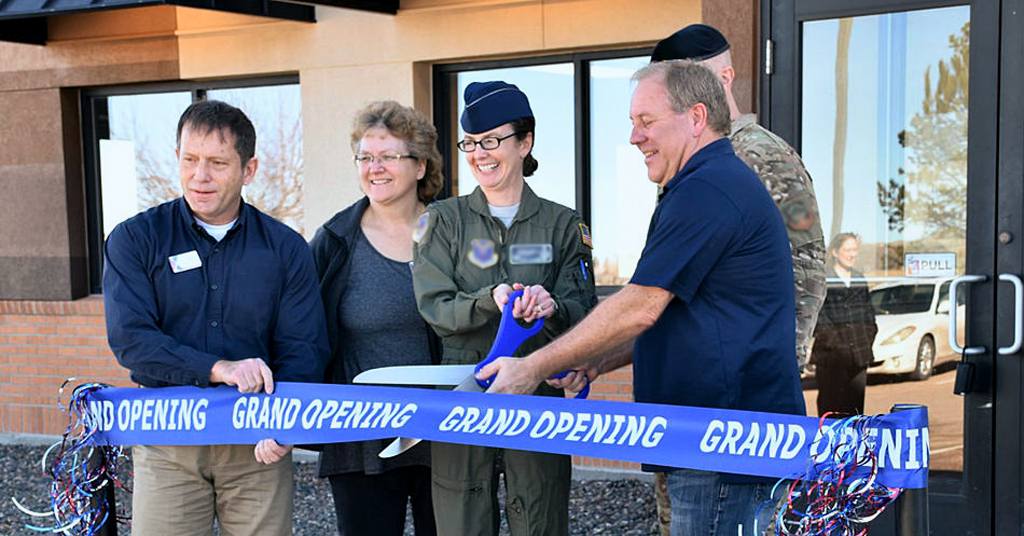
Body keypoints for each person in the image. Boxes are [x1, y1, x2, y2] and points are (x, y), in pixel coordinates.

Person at [480, 61, 806, 536]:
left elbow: (640, 305)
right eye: (633, 123)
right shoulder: (704, 185)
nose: (634, 137)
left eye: (646, 121)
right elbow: (679, 314)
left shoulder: (708, 190)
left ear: (696, 118)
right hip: (715, 443)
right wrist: (595, 362)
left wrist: (531, 368)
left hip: (724, 449)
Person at [102, 100, 330, 536]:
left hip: (255, 443)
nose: (199, 176)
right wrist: (218, 369)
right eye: (189, 160)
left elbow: (304, 345)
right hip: (168, 440)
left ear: (249, 169)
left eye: (217, 163)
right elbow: (131, 339)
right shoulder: (135, 239)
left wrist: (285, 425)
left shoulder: (285, 249)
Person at [650, 27, 828, 530]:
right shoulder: (692, 154)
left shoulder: (760, 155)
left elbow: (807, 262)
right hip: (694, 386)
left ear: (723, 77)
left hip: (743, 398)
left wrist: (775, 365)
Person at [412, 80, 598, 536]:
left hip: (537, 394)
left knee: (539, 516)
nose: (480, 154)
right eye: (471, 143)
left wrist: (553, 308)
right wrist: (487, 301)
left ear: (525, 142)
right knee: (462, 520)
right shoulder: (442, 221)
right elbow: (433, 306)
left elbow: (585, 311)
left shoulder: (564, 224)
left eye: (493, 140)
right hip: (463, 393)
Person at [309, 100, 442, 536]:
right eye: (365, 157)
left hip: (446, 432)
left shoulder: (456, 233)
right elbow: (303, 332)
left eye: (388, 156)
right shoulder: (333, 242)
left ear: (420, 165)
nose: (375, 167)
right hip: (360, 437)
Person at [812, 233, 878, 415]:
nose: (852, 254)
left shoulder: (859, 278)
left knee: (855, 411)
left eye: (855, 250)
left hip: (859, 355)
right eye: (848, 250)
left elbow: (868, 315)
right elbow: (818, 316)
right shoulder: (823, 278)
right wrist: (836, 345)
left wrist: (867, 338)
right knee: (831, 410)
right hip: (831, 356)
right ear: (835, 252)